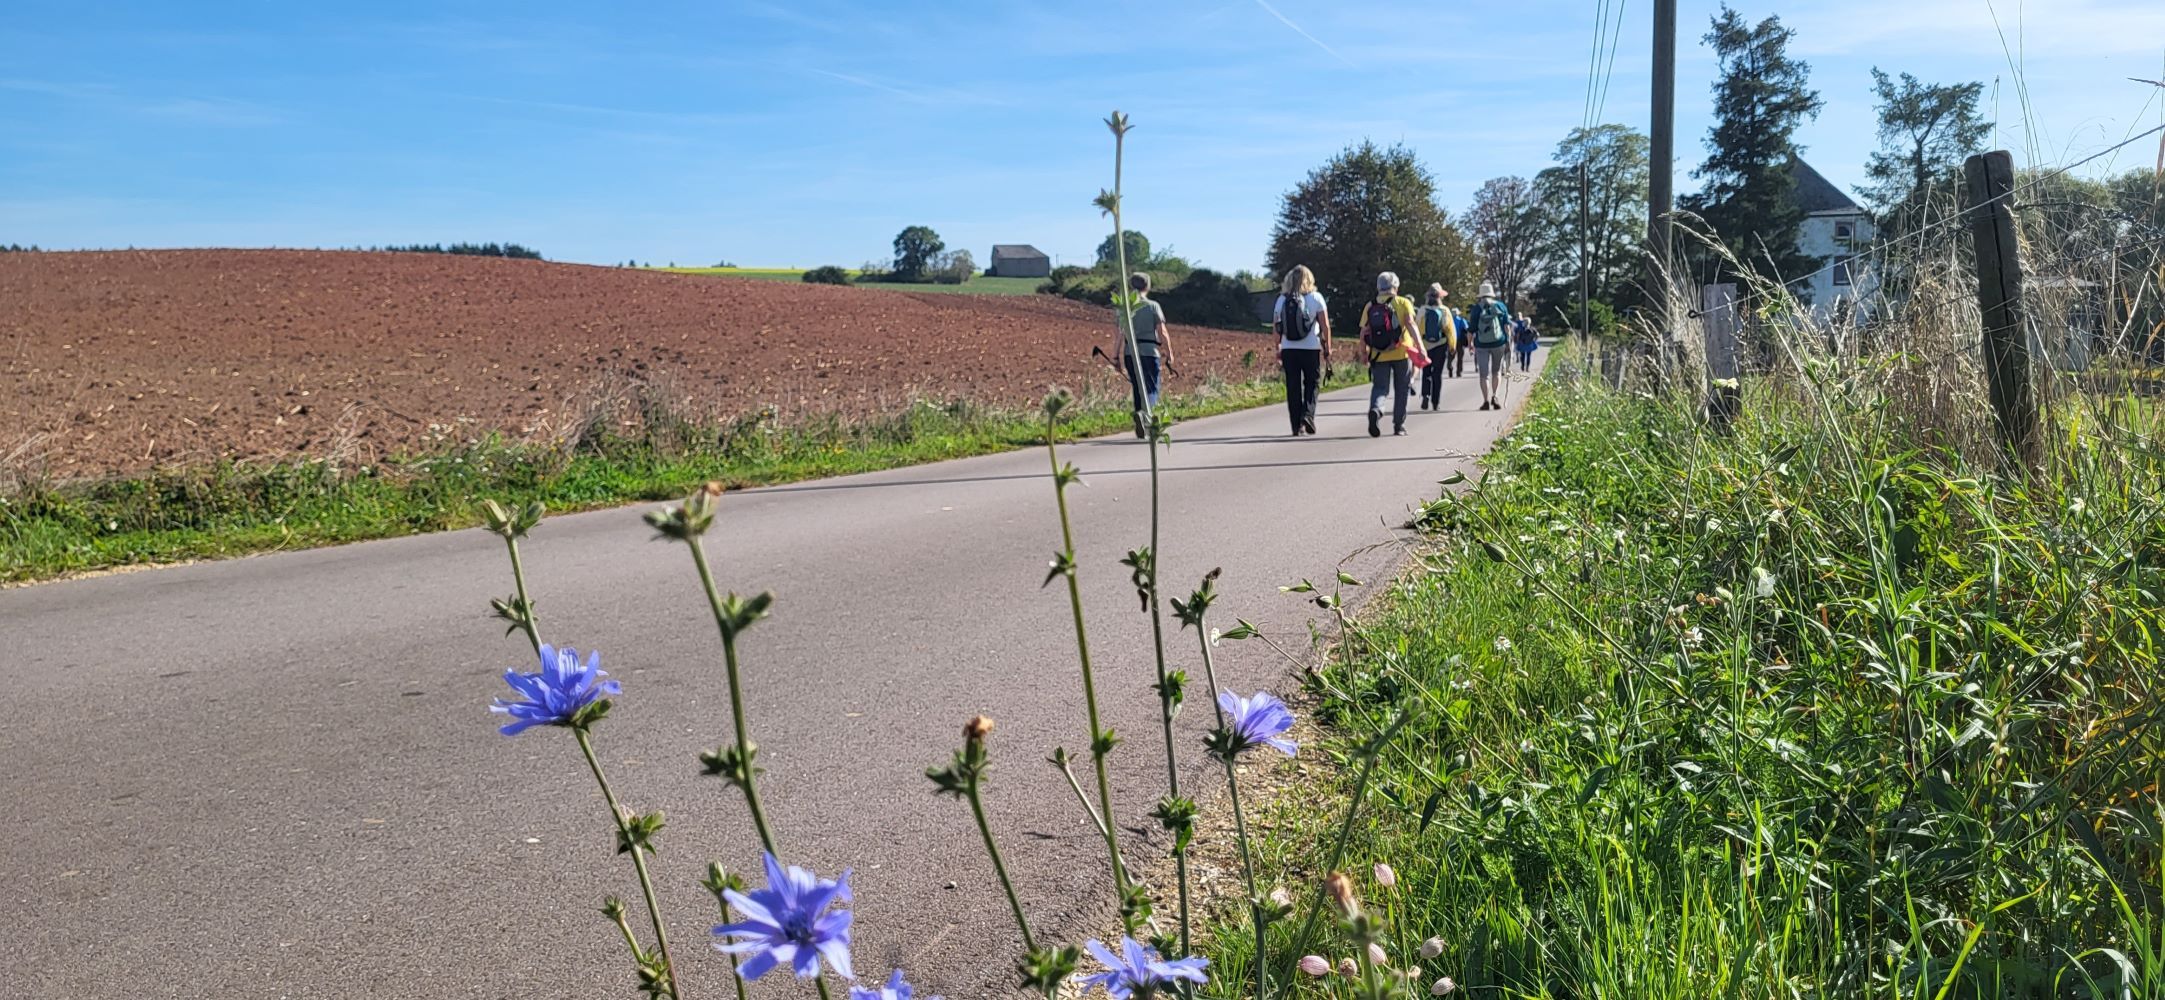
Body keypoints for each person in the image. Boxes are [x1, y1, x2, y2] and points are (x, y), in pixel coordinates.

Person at [1358, 271, 1421, 437]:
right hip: (1401, 353)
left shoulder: (1370, 306)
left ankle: (1376, 410)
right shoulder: (1403, 302)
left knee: (1380, 388)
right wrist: (1421, 348)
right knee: (1402, 389)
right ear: (1396, 286)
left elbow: (1364, 332)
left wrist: (1363, 353)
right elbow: (1411, 325)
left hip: (1378, 355)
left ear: (1378, 287)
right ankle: (1398, 425)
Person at [1274, 265, 1332, 436]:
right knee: (1312, 383)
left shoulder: (1281, 300)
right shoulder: (1316, 297)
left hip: (1289, 349)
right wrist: (1327, 347)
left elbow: (1276, 328)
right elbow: (1325, 326)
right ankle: (1307, 414)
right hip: (1311, 348)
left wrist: (1277, 348)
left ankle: (1295, 426)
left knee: (1293, 386)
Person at [1117, 272, 1170, 437]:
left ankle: (1140, 416)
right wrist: (1169, 352)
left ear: (1132, 286)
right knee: (1152, 387)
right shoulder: (1153, 306)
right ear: (1147, 286)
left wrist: (1114, 356)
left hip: (1129, 353)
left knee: (1137, 387)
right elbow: (1162, 332)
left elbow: (1119, 333)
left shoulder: (1125, 308)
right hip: (1149, 352)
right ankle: (1145, 415)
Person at [1465, 282, 1514, 411]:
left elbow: (1471, 330)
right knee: (1496, 371)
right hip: (1499, 343)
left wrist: (1470, 344)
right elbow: (1506, 326)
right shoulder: (1501, 306)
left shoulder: (1476, 309)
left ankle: (1485, 400)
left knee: (1483, 374)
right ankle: (1495, 396)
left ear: (1480, 295)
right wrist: (1509, 341)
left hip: (1481, 344)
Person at [1417, 284, 1457, 410]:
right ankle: (1436, 402)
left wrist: (1416, 345)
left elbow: (1416, 327)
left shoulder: (1422, 310)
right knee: (1437, 374)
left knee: (1426, 372)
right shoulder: (1444, 310)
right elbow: (1450, 330)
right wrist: (1452, 346)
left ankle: (1425, 395)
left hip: (1425, 345)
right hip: (1441, 344)